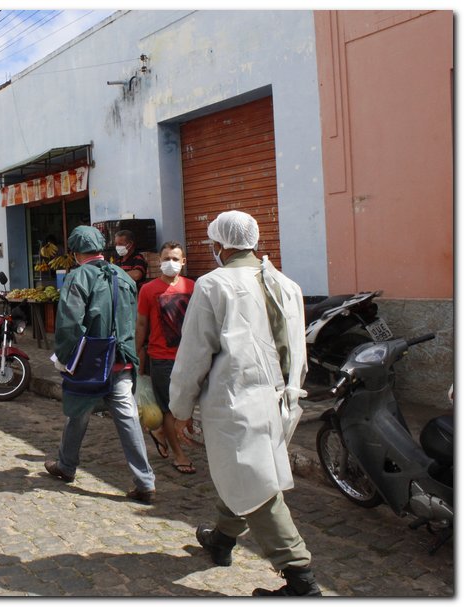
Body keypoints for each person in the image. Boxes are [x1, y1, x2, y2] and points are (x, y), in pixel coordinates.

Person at [169, 210, 321, 596]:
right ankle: (221, 539)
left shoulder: (213, 284)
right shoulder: (287, 284)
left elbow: (193, 355)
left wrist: (179, 409)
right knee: (242, 472)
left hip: (238, 403)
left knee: (259, 488)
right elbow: (298, 350)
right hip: (280, 401)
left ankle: (299, 577)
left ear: (219, 245)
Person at [44, 225, 157, 503]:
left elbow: (70, 323)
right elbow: (133, 319)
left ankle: (67, 465)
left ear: (74, 252)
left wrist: (65, 357)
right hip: (122, 360)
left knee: (77, 413)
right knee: (127, 420)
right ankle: (144, 481)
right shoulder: (123, 276)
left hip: (90, 362)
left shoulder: (77, 277)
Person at [135, 241, 196, 474]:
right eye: (166, 258)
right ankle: (179, 455)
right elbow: (142, 324)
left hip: (190, 358)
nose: (170, 263)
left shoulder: (193, 287)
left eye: (174, 258)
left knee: (185, 407)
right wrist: (136, 352)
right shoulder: (148, 290)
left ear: (183, 262)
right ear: (159, 261)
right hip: (161, 359)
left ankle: (160, 432)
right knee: (170, 409)